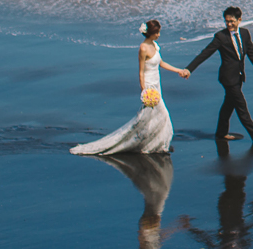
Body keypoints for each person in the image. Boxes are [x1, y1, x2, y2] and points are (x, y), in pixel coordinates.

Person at [71, 19, 190, 155]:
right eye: (157, 33)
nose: (159, 35)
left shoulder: (155, 45)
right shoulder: (143, 48)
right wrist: (144, 91)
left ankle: (153, 143)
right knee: (161, 114)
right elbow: (141, 72)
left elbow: (160, 63)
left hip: (157, 84)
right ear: (150, 33)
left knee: (151, 117)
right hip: (150, 86)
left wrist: (178, 70)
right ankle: (154, 145)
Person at [186, 6, 253, 143]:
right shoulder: (221, 37)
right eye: (226, 22)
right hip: (228, 78)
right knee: (241, 104)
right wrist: (189, 69)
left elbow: (252, 54)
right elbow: (205, 53)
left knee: (228, 105)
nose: (229, 24)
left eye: (232, 21)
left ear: (239, 20)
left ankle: (221, 132)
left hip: (239, 76)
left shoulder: (245, 33)